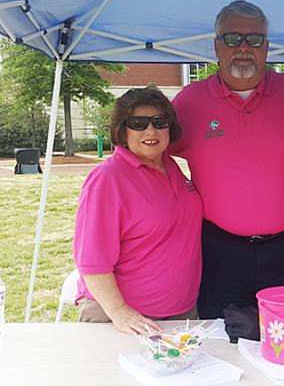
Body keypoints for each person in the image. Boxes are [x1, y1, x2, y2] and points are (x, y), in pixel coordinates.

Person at [171, 0, 284, 319]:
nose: (244, 48)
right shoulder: (189, 103)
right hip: (219, 252)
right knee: (221, 344)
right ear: (217, 46)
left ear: (267, 46)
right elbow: (152, 158)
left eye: (255, 39)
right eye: (233, 39)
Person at [73, 87, 203, 335]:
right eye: (138, 123)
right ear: (122, 130)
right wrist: (120, 312)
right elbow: (92, 262)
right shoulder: (107, 180)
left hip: (181, 312)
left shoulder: (171, 166)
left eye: (159, 122)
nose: (151, 131)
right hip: (124, 320)